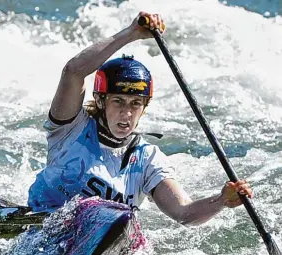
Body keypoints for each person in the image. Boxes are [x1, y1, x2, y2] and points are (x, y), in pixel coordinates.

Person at [27, 11, 252, 225]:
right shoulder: (71, 127)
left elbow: (184, 213)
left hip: (97, 239)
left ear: (144, 107)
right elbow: (73, 71)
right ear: (101, 101)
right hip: (43, 225)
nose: (127, 113)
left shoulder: (147, 159)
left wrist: (221, 201)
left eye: (135, 104)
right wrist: (131, 33)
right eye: (118, 101)